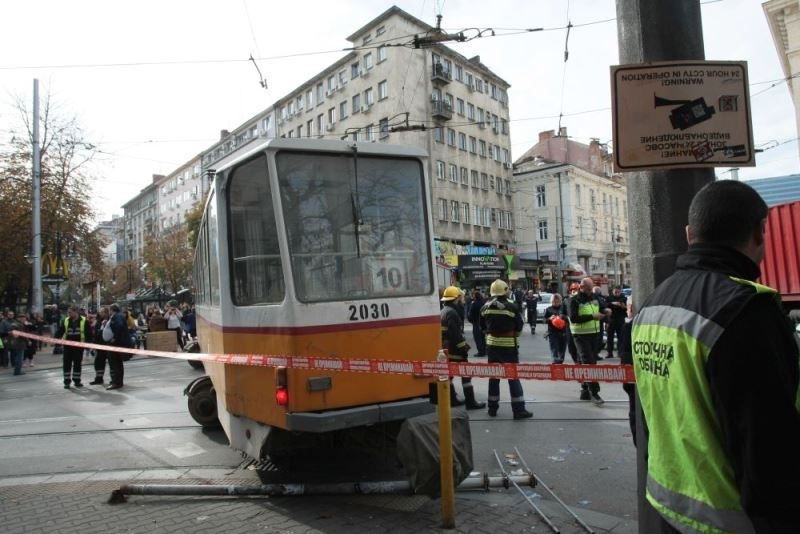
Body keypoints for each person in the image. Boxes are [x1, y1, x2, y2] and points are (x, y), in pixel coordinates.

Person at [632, 180, 800, 533]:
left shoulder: (653, 304)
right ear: (759, 233)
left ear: (690, 233)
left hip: (667, 508)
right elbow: (768, 446)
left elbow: (643, 416)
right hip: (731, 521)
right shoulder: (745, 310)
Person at [480, 279, 532, 420]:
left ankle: (492, 409)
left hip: (492, 347)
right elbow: (519, 327)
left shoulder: (485, 307)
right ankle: (518, 410)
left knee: (494, 378)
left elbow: (482, 328)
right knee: (513, 377)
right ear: (505, 291)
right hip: (509, 347)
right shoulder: (512, 306)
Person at [440, 286, 486, 410]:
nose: (462, 300)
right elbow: (455, 334)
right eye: (460, 298)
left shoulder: (444, 310)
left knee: (449, 375)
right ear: (456, 299)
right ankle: (470, 402)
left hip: (447, 348)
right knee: (466, 374)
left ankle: (452, 400)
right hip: (455, 349)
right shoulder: (452, 312)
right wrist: (464, 348)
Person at [568, 277, 610, 405]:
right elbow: (574, 318)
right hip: (580, 336)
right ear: (582, 287)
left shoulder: (594, 297)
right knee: (589, 363)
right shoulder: (573, 300)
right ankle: (595, 393)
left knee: (588, 362)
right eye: (588, 288)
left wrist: (606, 310)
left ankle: (585, 390)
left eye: (591, 288)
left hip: (594, 335)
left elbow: (602, 307)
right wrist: (592, 316)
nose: (591, 291)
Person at [54, 306, 89, 388]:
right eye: (68, 312)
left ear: (76, 312)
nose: (68, 314)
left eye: (70, 312)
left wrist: (88, 345)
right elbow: (60, 331)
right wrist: (55, 340)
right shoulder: (66, 320)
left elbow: (88, 333)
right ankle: (67, 382)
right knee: (66, 364)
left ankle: (77, 381)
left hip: (79, 346)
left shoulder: (84, 321)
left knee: (77, 364)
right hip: (67, 347)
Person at [106, 303, 132, 390]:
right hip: (120, 342)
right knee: (118, 363)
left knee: (114, 363)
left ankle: (116, 382)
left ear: (111, 310)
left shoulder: (116, 316)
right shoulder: (120, 315)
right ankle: (118, 381)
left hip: (117, 343)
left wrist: (114, 337)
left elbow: (119, 326)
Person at [604, 285, 627, 359]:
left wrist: (623, 306)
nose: (617, 293)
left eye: (618, 292)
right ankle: (609, 352)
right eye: (615, 292)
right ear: (613, 291)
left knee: (621, 337)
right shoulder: (608, 298)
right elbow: (605, 306)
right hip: (611, 320)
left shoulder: (624, 298)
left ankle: (620, 352)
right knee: (609, 337)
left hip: (620, 319)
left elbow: (627, 308)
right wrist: (612, 304)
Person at [543, 293, 568, 364]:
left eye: (557, 301)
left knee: (562, 350)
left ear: (560, 301)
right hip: (552, 333)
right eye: (554, 301)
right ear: (551, 301)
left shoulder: (564, 308)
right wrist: (549, 318)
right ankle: (555, 362)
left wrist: (563, 316)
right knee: (554, 349)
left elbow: (569, 318)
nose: (556, 303)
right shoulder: (548, 309)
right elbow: (544, 320)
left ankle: (560, 362)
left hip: (563, 332)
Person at [89, 307, 111, 386]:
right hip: (99, 345)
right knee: (98, 363)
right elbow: (96, 334)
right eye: (100, 312)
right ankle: (99, 378)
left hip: (108, 345)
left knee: (112, 363)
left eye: (102, 312)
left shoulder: (110, 321)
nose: (100, 313)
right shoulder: (98, 321)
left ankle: (114, 380)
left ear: (106, 313)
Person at [3, 311, 28, 376]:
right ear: (20, 318)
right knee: (19, 358)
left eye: (25, 318)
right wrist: (26, 338)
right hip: (19, 343)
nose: (24, 319)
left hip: (15, 343)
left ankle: (17, 370)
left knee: (17, 357)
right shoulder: (19, 324)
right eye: (23, 318)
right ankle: (17, 371)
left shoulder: (15, 323)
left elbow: (12, 332)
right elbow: (18, 334)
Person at [564, 283, 581, 363]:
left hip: (580, 326)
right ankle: (576, 362)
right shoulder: (566, 300)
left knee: (580, 348)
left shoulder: (581, 300)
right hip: (569, 326)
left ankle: (579, 362)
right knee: (571, 348)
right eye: (573, 290)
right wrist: (564, 317)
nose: (574, 292)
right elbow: (562, 312)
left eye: (576, 290)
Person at [466, 288, 486, 357]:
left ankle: (480, 352)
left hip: (476, 323)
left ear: (475, 296)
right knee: (483, 337)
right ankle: (484, 350)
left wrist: (471, 321)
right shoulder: (483, 303)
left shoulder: (474, 304)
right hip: (483, 323)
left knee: (477, 338)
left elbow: (470, 315)